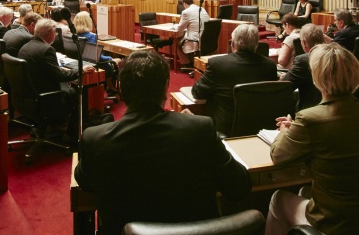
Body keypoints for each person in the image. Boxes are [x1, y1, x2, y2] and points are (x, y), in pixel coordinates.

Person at [75, 50, 251, 235]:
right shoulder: (200, 129)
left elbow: (84, 183)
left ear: (119, 87)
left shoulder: (94, 139)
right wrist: (194, 126)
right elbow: (239, 187)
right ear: (166, 86)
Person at [266, 43, 359, 235]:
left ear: (317, 77)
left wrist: (285, 130)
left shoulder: (309, 118)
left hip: (334, 223)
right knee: (305, 191)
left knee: (278, 198)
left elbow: (278, 155)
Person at [191, 24, 278, 135]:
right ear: (256, 45)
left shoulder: (217, 64)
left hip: (226, 129)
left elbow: (198, 93)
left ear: (232, 44)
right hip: (260, 129)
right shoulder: (270, 65)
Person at [283, 23, 326, 111]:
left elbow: (284, 87)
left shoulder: (303, 60)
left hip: (311, 110)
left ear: (303, 43)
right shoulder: (336, 54)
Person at [176, 0, 210, 67]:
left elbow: (179, 29)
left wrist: (174, 27)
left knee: (177, 41)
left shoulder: (186, 12)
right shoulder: (202, 9)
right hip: (206, 39)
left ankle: (186, 64)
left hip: (195, 40)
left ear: (185, 4)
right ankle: (192, 62)